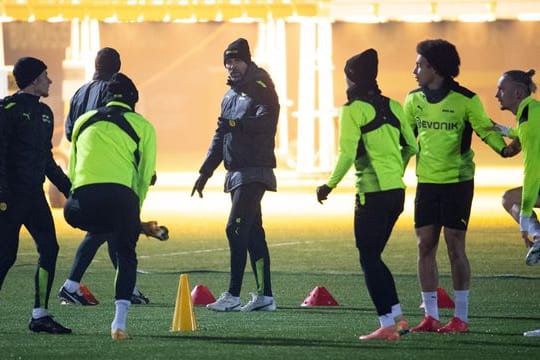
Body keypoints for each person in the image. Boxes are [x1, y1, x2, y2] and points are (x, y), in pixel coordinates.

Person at [403, 39, 517, 334]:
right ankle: (430, 316)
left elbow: (489, 136)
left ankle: (461, 318)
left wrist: (512, 146)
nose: (414, 70)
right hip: (426, 183)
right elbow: (405, 143)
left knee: (455, 248)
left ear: (435, 68)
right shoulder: (412, 100)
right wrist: (393, 175)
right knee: (423, 246)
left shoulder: (467, 100)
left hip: (457, 184)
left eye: (419, 64)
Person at [316, 49, 418, 341]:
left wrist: (329, 185)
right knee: (374, 257)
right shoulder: (394, 106)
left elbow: (347, 153)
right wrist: (395, 168)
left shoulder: (352, 110)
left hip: (371, 195)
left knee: (369, 258)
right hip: (396, 193)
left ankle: (388, 324)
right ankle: (397, 317)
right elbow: (412, 146)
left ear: (351, 78)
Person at [59, 47, 162, 306]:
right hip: (114, 171)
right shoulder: (114, 90)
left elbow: (71, 133)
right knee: (110, 228)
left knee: (111, 230)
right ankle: (77, 285)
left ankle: (126, 287)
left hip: (85, 169)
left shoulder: (79, 92)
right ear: (118, 66)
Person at [191, 38, 279, 312]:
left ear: (247, 60)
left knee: (235, 228)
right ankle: (265, 297)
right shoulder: (229, 96)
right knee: (253, 233)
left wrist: (236, 124)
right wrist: (205, 172)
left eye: (236, 61)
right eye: (228, 62)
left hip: (255, 170)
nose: (231, 66)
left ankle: (232, 295)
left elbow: (267, 122)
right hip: (237, 173)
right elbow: (220, 135)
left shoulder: (261, 86)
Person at [0, 57, 72, 334]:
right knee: (5, 256)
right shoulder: (8, 110)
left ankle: (40, 315)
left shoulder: (45, 114)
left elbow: (46, 159)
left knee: (50, 248)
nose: (50, 80)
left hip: (33, 195)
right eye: (45, 75)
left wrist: (68, 189)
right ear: (33, 80)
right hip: (9, 196)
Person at [493, 70, 540, 271]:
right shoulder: (530, 112)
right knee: (510, 198)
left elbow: (533, 172)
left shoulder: (529, 121)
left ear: (518, 93)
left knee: (510, 199)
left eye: (502, 89)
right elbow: (519, 132)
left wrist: (524, 219)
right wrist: (500, 129)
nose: (497, 95)